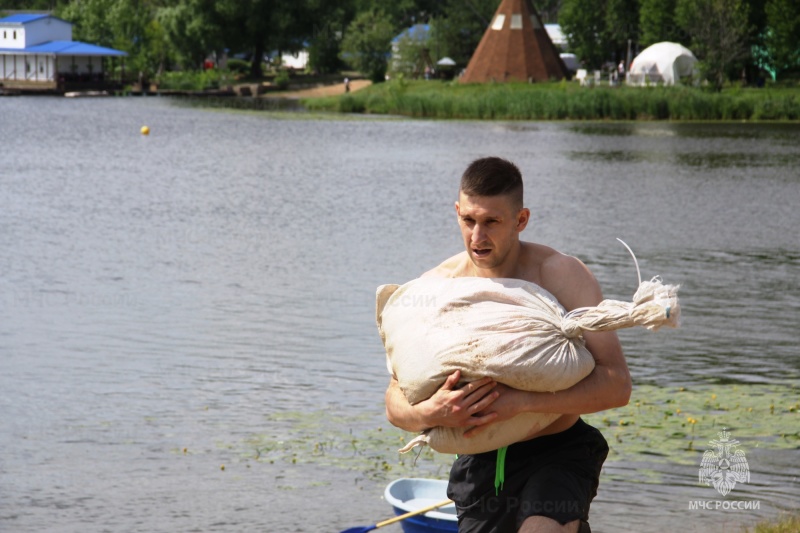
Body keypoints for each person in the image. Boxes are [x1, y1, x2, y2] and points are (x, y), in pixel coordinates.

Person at [384, 157, 631, 533]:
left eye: (492, 222)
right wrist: (432, 412)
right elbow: (394, 400)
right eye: (468, 220)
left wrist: (525, 402)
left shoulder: (562, 276)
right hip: (477, 464)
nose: (477, 237)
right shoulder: (435, 288)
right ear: (456, 212)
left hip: (557, 451)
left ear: (521, 220)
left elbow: (616, 384)